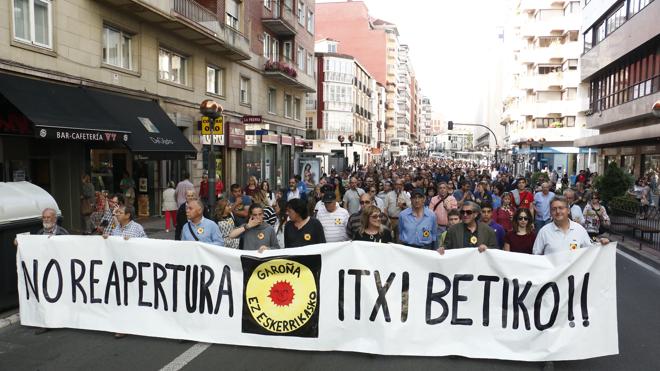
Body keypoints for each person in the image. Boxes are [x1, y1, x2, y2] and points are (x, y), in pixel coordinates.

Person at [532, 197, 609, 255]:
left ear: (568, 210)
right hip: (553, 276)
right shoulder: (544, 231)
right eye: (554, 209)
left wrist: (601, 245)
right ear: (550, 212)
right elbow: (536, 256)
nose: (558, 211)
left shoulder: (579, 230)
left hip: (574, 275)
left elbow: (590, 251)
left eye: (561, 208)